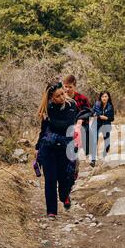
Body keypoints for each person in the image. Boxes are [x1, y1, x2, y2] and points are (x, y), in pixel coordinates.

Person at [34, 81, 91, 220]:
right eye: (58, 96)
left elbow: (66, 126)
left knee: (65, 177)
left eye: (63, 93)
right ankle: (51, 211)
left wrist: (50, 120)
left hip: (66, 147)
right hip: (49, 148)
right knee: (50, 180)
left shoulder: (71, 105)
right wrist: (37, 147)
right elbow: (44, 130)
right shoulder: (47, 108)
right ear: (51, 98)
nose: (62, 97)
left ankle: (64, 195)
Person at [63, 75, 92, 160]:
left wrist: (81, 119)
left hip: (81, 124)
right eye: (66, 86)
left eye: (70, 87)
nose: (67, 89)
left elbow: (89, 112)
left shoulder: (82, 98)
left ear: (75, 86)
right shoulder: (61, 98)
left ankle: (88, 155)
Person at [90, 91, 115, 167]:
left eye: (106, 96)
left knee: (107, 143)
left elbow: (112, 118)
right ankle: (93, 161)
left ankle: (106, 157)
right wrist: (96, 115)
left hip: (106, 125)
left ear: (108, 97)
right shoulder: (97, 104)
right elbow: (92, 113)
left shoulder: (110, 106)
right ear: (100, 97)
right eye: (103, 96)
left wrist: (106, 118)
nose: (104, 98)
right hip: (97, 124)